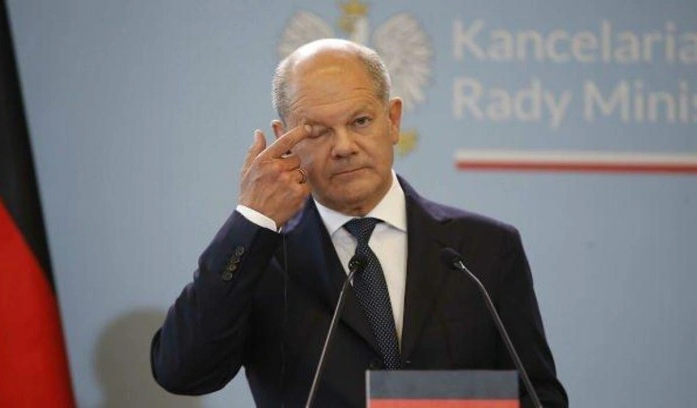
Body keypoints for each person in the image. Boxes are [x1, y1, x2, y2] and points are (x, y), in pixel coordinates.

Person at [150, 39, 568, 407]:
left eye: (360, 121)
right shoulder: (261, 260)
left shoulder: (484, 249)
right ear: (284, 139)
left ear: (393, 120)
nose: (344, 147)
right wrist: (253, 220)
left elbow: (537, 397)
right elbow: (182, 372)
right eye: (317, 131)